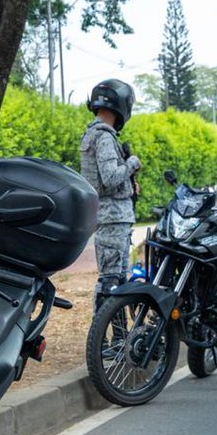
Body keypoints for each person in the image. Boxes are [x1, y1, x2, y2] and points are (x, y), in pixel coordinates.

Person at [80, 79, 142, 311]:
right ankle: (101, 332)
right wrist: (132, 163)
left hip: (110, 216)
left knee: (117, 281)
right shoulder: (104, 136)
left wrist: (129, 185)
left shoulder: (92, 134)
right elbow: (110, 177)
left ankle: (117, 331)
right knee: (110, 282)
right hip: (112, 218)